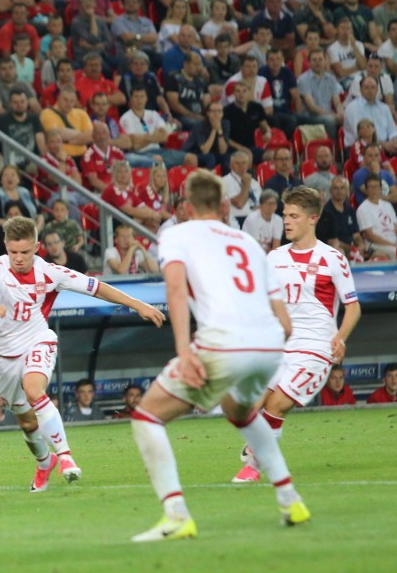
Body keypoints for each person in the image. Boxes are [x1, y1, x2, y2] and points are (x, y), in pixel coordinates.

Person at [128, 169, 308, 542]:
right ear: (225, 204)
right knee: (240, 412)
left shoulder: (175, 234)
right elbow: (286, 323)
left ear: (186, 204)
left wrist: (184, 350)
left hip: (224, 342)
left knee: (147, 416)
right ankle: (290, 499)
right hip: (271, 345)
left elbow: (176, 290)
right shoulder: (248, 243)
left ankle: (176, 515)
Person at [0, 216, 165, 492]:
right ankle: (44, 462)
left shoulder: (50, 272)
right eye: (13, 252)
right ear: (5, 246)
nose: (19, 258)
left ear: (37, 247)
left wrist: (137, 304)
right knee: (25, 420)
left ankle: (65, 457)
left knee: (35, 390)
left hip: (38, 341)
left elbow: (96, 287)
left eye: (25, 252)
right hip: (3, 356)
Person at [233, 186, 361, 484]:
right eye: (284, 215)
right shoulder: (274, 257)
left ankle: (255, 464)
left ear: (312, 218)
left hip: (316, 348)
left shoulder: (332, 258)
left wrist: (340, 337)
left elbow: (353, 307)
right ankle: (258, 444)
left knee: (277, 405)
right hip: (279, 346)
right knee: (250, 407)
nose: (286, 221)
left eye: (293, 216)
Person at [317, 176, 367, 258]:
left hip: (353, 249)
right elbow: (332, 241)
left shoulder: (350, 210)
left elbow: (356, 235)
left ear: (347, 190)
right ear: (330, 191)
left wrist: (361, 245)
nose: (339, 191)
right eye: (335, 188)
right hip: (335, 250)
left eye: (342, 188)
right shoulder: (326, 213)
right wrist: (353, 249)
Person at [356, 174, 397, 260]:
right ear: (366, 189)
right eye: (370, 187)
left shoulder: (388, 205)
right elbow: (370, 235)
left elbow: (396, 227)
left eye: (376, 186)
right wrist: (392, 244)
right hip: (376, 245)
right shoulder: (362, 209)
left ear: (380, 188)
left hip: (394, 242)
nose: (373, 189)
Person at [222, 151, 261, 228]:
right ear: (231, 165)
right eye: (237, 163)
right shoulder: (225, 181)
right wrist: (246, 185)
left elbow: (260, 204)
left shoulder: (254, 183)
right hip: (236, 220)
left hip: (254, 219)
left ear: (248, 165)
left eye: (244, 163)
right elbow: (239, 204)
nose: (241, 166)